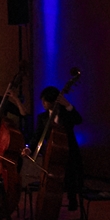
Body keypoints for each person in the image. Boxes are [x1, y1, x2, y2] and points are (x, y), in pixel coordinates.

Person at [37, 84, 84, 212]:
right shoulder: (42, 117)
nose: (43, 104)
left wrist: (68, 105)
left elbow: (79, 120)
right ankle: (49, 201)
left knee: (70, 173)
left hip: (68, 150)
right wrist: (30, 148)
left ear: (53, 101)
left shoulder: (66, 113)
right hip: (51, 151)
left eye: (45, 101)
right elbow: (37, 135)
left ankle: (72, 198)